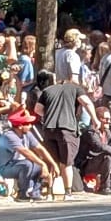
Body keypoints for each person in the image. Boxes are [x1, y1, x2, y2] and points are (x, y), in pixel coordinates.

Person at [34, 70, 98, 199]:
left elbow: (37, 109)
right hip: (67, 129)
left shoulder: (47, 90)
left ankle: (50, 192)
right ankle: (67, 192)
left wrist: (49, 116)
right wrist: (95, 119)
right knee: (66, 162)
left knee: (53, 161)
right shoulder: (76, 89)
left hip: (49, 129)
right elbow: (87, 102)